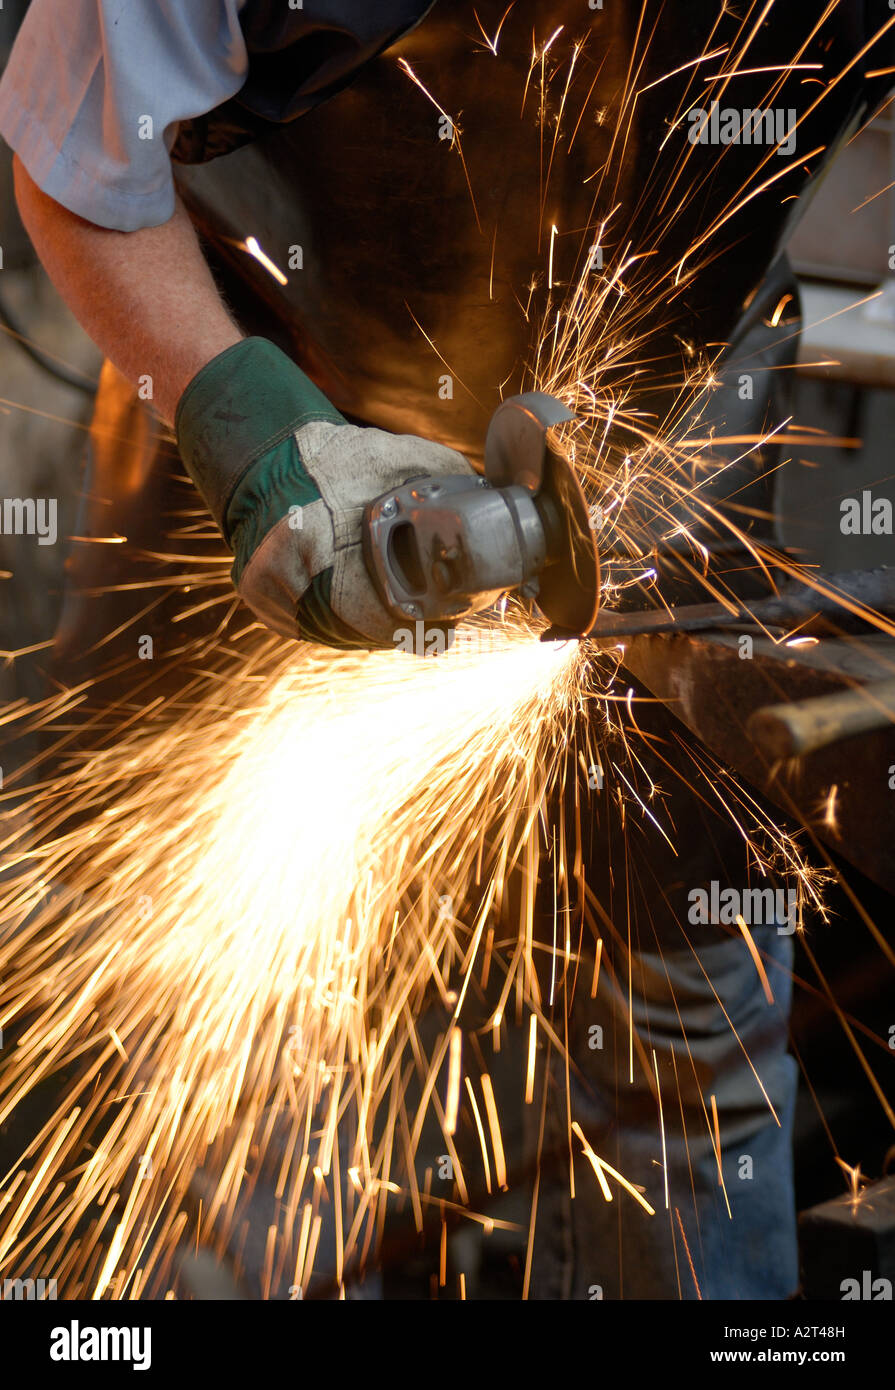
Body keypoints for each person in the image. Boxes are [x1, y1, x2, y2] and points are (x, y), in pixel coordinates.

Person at [1, 0, 892, 1298]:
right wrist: (246, 429)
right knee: (238, 1011)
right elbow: (72, 162)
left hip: (671, 432)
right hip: (287, 366)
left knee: (685, 1028)